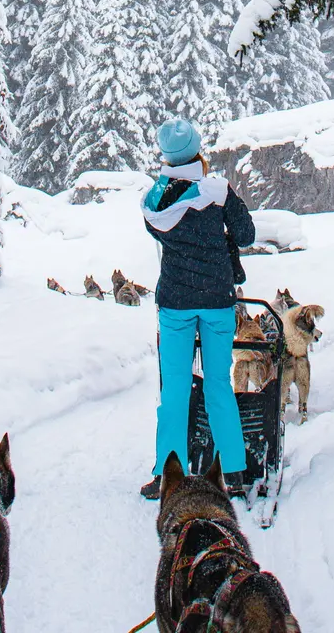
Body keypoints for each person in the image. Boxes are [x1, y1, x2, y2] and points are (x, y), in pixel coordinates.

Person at [139, 117, 255, 500]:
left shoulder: (155, 201)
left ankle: (165, 475)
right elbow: (247, 235)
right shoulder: (218, 190)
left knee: (174, 390)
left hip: (175, 303)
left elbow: (160, 233)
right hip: (218, 302)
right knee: (218, 383)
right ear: (197, 150)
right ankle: (234, 471)